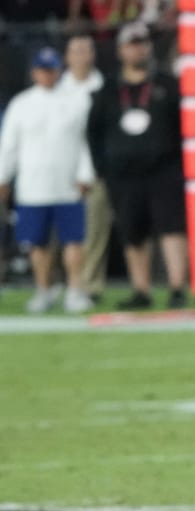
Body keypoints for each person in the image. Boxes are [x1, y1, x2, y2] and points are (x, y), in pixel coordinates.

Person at [87, 21, 188, 311]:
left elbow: (184, 127)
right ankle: (141, 290)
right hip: (123, 175)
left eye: (142, 43)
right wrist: (100, 167)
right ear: (120, 50)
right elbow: (93, 130)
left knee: (171, 229)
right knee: (132, 232)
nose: (137, 49)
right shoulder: (107, 89)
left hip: (164, 170)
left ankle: (177, 288)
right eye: (131, 44)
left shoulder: (168, 84)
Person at [0, 47, 95, 314]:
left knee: (74, 240)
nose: (47, 75)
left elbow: (85, 141)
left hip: (67, 183)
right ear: (34, 72)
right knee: (36, 243)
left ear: (58, 70)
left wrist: (85, 173)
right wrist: (3, 176)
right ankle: (43, 290)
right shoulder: (21, 104)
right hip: (33, 184)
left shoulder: (77, 100)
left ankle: (75, 291)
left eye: (51, 69)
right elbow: (8, 145)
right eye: (42, 70)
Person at [59, 34, 111, 307]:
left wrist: (87, 172)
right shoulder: (57, 88)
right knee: (60, 234)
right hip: (57, 172)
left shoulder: (104, 87)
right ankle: (61, 284)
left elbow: (96, 137)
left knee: (92, 232)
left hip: (94, 170)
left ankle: (89, 285)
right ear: (67, 56)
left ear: (93, 54)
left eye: (86, 49)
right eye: (75, 50)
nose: (81, 55)